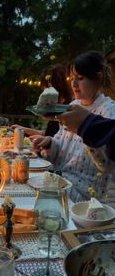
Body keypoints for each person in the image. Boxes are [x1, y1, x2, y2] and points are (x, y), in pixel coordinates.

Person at [33, 50, 115, 202]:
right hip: (59, 181)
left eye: (80, 78)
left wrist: (84, 129)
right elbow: (59, 144)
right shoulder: (73, 105)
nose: (74, 84)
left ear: (98, 78)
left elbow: (108, 165)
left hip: (85, 196)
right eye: (72, 78)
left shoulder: (109, 111)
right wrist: (50, 143)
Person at [12, 64, 73, 137]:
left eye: (45, 86)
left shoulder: (69, 107)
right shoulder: (54, 107)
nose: (43, 90)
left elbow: (59, 140)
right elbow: (49, 134)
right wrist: (23, 129)